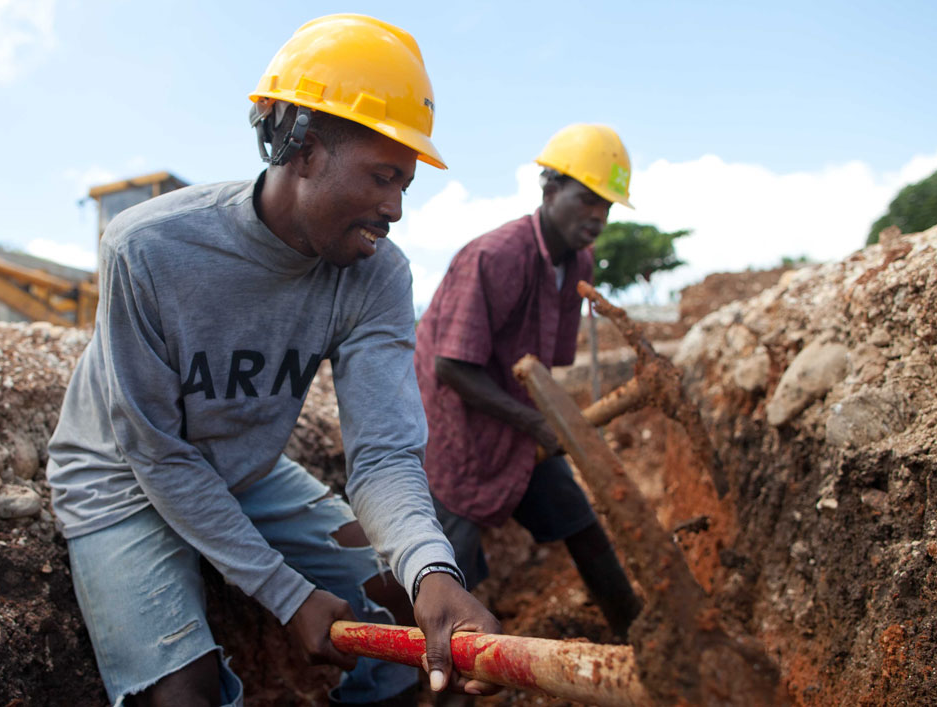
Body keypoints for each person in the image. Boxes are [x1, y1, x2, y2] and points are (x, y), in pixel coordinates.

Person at [46, 14, 500, 707]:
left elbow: (382, 454)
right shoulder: (150, 250)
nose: (396, 208)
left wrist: (432, 568)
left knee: (390, 598)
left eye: (405, 184)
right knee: (181, 694)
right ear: (306, 149)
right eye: (383, 176)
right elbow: (157, 452)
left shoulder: (376, 274)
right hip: (121, 474)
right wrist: (286, 594)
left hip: (245, 470)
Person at [414, 124, 643, 641]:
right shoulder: (495, 256)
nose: (598, 218)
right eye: (588, 200)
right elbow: (450, 366)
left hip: (513, 426)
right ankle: (447, 691)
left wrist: (545, 423)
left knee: (582, 526)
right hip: (457, 434)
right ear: (549, 191)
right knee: (452, 573)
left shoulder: (578, 261)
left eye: (607, 207)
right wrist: (536, 422)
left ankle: (644, 642)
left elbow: (543, 363)